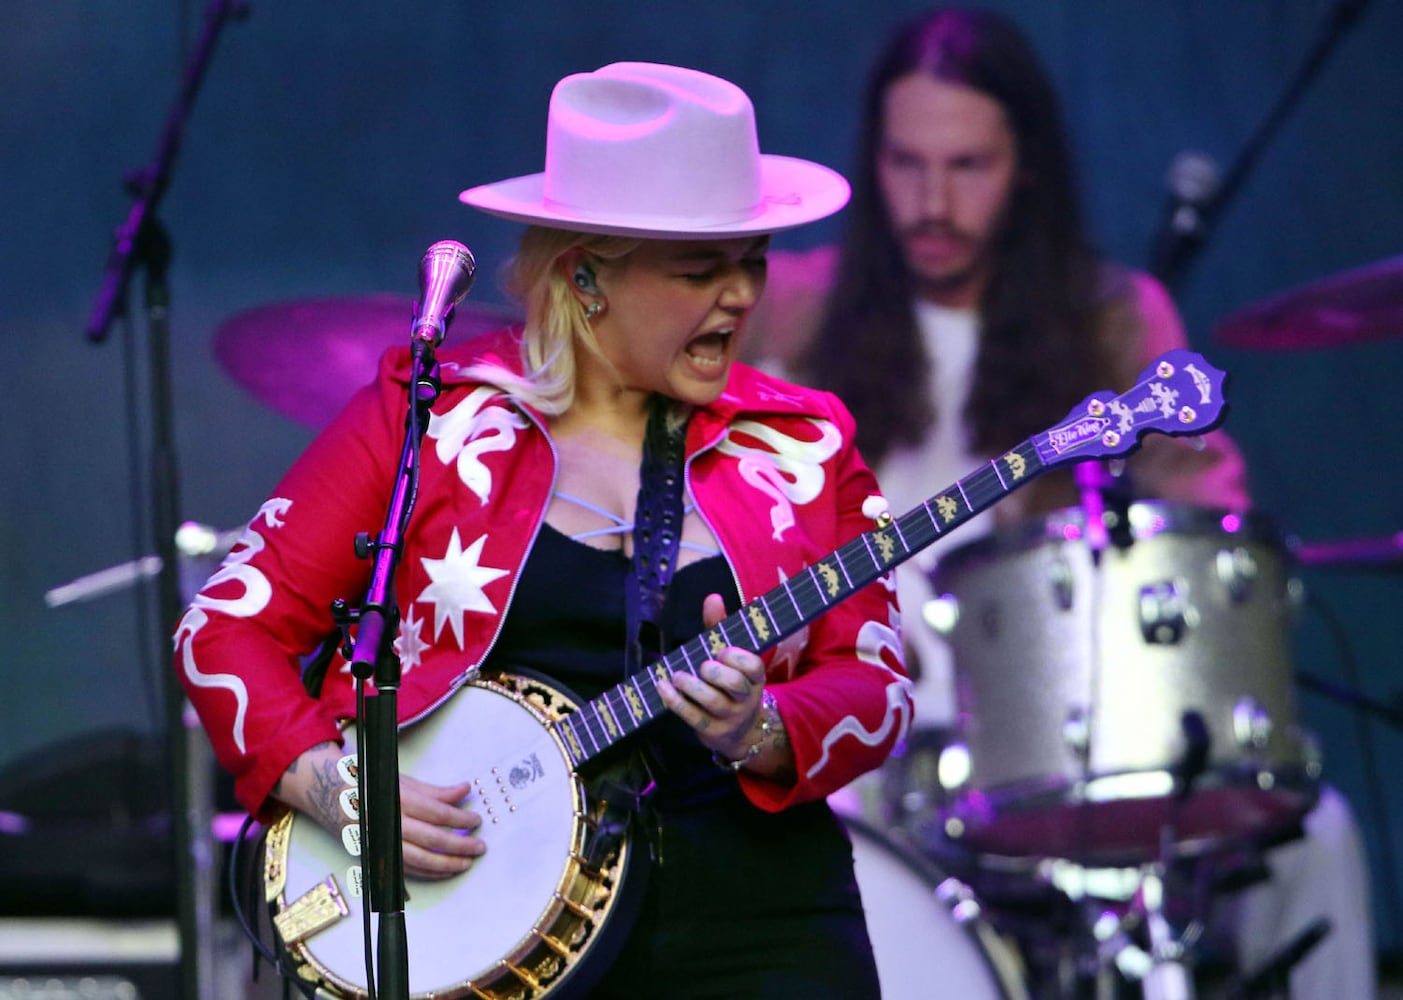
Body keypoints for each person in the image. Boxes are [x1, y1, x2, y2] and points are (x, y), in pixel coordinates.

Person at [175, 62, 912, 998]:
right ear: (584, 275)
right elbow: (224, 631)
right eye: (701, 270)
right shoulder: (429, 421)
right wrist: (340, 790)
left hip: (762, 921)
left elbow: (875, 686)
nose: (740, 294)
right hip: (495, 930)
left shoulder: (805, 443)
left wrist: (758, 727)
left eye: (752, 260)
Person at [743, 7, 1375, 999]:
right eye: (906, 164)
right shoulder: (783, 311)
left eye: (968, 165)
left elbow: (1203, 524)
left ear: (1024, 165)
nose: (932, 202)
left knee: (1315, 835)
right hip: (854, 734)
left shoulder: (1112, 322)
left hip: (1045, 737)